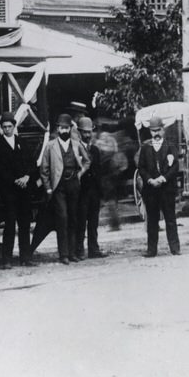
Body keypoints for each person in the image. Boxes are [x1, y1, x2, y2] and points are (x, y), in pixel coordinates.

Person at [0, 111, 38, 267]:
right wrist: (14, 180)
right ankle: (7, 259)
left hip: (24, 190)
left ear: (14, 126)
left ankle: (25, 258)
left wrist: (27, 177)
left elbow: (32, 164)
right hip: (9, 191)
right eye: (4, 127)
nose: (7, 129)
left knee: (25, 224)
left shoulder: (22, 142)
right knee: (9, 224)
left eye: (10, 126)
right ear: (1, 128)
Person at [40, 113, 89, 265]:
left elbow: (87, 161)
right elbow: (44, 169)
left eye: (67, 128)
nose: (64, 131)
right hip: (58, 186)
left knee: (73, 218)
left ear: (70, 129)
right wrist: (48, 188)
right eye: (62, 128)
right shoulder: (50, 146)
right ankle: (64, 255)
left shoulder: (76, 144)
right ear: (58, 129)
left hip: (73, 183)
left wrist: (80, 174)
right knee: (63, 218)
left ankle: (73, 253)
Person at [137, 115, 180, 257]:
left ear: (163, 130)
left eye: (158, 130)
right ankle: (151, 250)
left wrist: (163, 178)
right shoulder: (145, 147)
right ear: (150, 131)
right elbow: (141, 167)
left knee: (170, 219)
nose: (156, 133)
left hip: (166, 189)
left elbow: (175, 167)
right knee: (152, 221)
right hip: (151, 190)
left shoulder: (171, 146)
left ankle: (175, 248)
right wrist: (149, 180)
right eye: (153, 130)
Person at [74, 117, 107, 260]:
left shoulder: (95, 150)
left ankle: (94, 249)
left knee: (93, 223)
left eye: (89, 132)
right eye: (84, 132)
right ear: (79, 132)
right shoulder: (75, 149)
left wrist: (100, 192)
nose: (87, 135)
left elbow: (99, 172)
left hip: (94, 192)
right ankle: (79, 250)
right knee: (80, 222)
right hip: (81, 193)